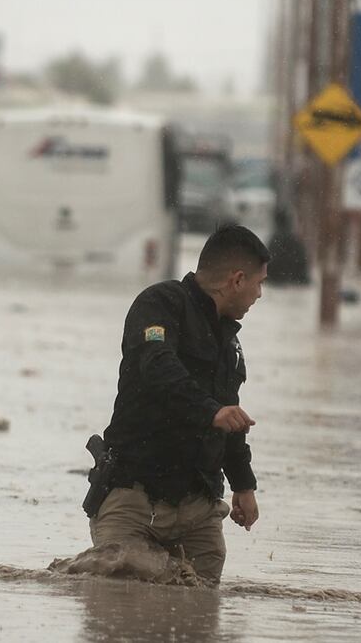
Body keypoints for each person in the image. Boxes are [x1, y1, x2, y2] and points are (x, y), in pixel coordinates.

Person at [86, 224, 269, 585]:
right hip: (134, 497)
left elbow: (231, 418)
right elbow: (156, 365)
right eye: (259, 283)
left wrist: (243, 486)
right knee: (118, 607)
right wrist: (210, 410)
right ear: (236, 280)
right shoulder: (159, 305)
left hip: (199, 508)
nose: (260, 294)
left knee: (199, 617)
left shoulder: (230, 343)